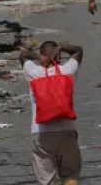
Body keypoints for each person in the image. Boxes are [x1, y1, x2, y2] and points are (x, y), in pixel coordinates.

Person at [22, 40, 85, 185]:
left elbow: (23, 55)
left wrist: (38, 57)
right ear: (59, 56)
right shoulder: (67, 70)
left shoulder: (34, 72)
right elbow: (78, 50)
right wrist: (62, 47)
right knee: (70, 175)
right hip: (66, 131)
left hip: (41, 133)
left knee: (48, 180)